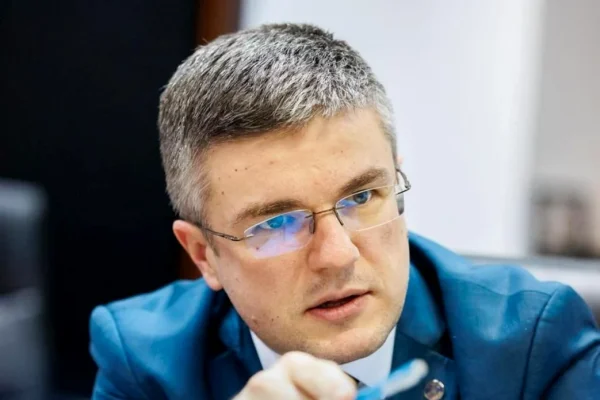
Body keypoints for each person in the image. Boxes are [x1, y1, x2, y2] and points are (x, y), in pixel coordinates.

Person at [89, 23, 600, 399]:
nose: (337, 256)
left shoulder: (531, 341)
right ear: (204, 255)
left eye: (360, 198)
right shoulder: (146, 360)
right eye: (276, 223)